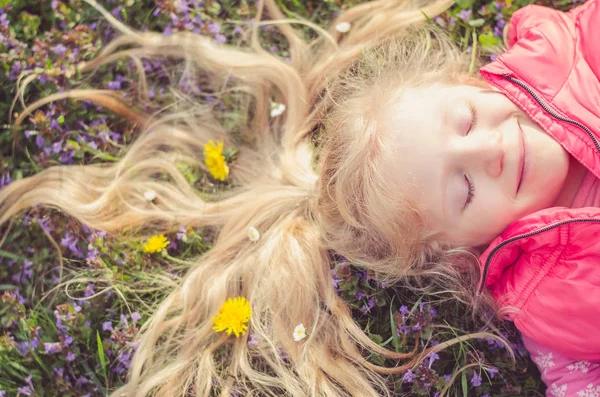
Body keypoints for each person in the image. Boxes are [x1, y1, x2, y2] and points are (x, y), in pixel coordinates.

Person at [1, 0, 599, 394]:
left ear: (467, 81)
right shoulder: (545, 305)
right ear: (458, 248)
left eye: (466, 121)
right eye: (464, 189)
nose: (489, 151)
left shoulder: (571, 49)